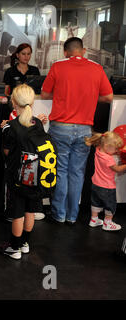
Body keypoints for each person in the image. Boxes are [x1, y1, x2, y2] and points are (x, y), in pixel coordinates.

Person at [41, 37, 113, 224]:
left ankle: (59, 214)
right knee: (77, 173)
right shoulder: (97, 68)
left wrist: (63, 94)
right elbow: (108, 96)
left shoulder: (58, 66)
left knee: (61, 171)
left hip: (60, 128)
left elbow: (45, 94)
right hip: (84, 130)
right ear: (84, 50)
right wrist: (89, 97)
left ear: (65, 52)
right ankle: (73, 216)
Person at [0, 84, 45, 259]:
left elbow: (7, 152)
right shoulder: (38, 123)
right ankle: (24, 243)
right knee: (30, 210)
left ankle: (14, 248)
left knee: (17, 212)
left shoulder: (10, 127)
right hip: (34, 173)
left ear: (13, 102)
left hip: (16, 175)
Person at [85, 131, 126, 231]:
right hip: (107, 187)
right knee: (110, 205)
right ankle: (107, 223)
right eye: (115, 148)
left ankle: (94, 220)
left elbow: (108, 150)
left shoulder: (98, 150)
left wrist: (116, 152)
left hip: (95, 184)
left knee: (96, 202)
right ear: (107, 146)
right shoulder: (108, 159)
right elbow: (118, 169)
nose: (116, 150)